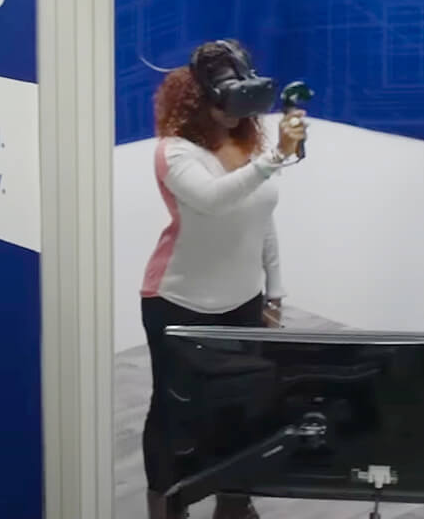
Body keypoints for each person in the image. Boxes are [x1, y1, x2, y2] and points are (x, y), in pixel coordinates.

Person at [139, 40, 308, 519]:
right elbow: (214, 199)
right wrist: (276, 157)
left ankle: (234, 502)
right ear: (199, 100)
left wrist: (274, 290)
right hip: (178, 300)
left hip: (243, 301)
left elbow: (261, 216)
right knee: (176, 410)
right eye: (226, 104)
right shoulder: (174, 153)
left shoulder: (246, 144)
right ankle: (167, 504)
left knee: (245, 408)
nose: (235, 115)